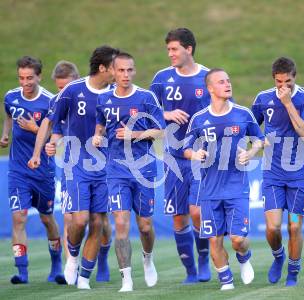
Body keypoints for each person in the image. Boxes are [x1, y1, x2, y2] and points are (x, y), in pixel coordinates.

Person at [28, 45, 120, 289]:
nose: (120, 72)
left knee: (99, 223)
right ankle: (73, 259)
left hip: (106, 168)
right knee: (78, 221)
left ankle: (84, 277)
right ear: (103, 68)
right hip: (75, 164)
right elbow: (50, 121)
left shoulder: (117, 94)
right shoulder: (73, 90)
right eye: (115, 67)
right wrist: (41, 150)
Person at [183, 68, 264, 290]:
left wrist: (250, 152)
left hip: (237, 188)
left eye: (228, 80)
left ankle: (244, 256)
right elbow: (185, 148)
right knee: (214, 240)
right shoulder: (199, 119)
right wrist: (195, 154)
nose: (227, 84)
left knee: (237, 239)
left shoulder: (243, 113)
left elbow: (259, 139)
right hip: (209, 190)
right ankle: (226, 280)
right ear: (210, 88)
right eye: (221, 82)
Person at [93, 52, 165, 292]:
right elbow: (100, 123)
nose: (126, 75)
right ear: (112, 72)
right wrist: (97, 135)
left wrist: (134, 134)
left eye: (130, 70)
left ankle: (148, 257)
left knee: (145, 225)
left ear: (134, 71)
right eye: (121, 70)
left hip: (143, 170)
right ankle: (127, 279)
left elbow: (160, 131)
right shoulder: (104, 99)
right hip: (116, 171)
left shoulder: (146, 97)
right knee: (121, 223)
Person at [150, 28, 211, 283]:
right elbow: (145, 108)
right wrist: (166, 115)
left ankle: (205, 260)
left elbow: (221, 111)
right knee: (178, 216)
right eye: (168, 50)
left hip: (199, 156)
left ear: (189, 49)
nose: (170, 54)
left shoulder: (208, 77)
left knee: (197, 212)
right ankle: (190, 271)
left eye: (174, 49)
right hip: (173, 158)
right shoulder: (162, 78)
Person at [251, 57, 304, 286]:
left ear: (294, 77)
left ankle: (293, 272)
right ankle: (278, 257)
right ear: (274, 79)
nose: (283, 87)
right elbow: (250, 127)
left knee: (294, 226)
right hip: (272, 172)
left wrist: (288, 103)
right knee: (272, 227)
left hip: (299, 173)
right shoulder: (262, 99)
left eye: (288, 82)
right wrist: (254, 144)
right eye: (279, 82)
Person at [47, 60, 112, 282]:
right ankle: (71, 264)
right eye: (58, 87)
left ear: (77, 80)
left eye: (65, 86)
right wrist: (50, 144)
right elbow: (52, 127)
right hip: (72, 165)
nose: (62, 91)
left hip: (102, 166)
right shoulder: (61, 100)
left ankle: (100, 261)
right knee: (73, 218)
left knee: (100, 222)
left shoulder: (104, 94)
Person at [0, 56, 63, 284]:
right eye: (21, 78)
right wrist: (6, 134)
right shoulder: (11, 96)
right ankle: (22, 270)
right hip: (18, 170)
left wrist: (35, 128)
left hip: (43, 171)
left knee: (47, 219)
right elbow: (8, 114)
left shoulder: (49, 101)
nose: (25, 82)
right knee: (19, 218)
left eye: (29, 78)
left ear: (39, 77)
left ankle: (56, 265)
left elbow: (53, 135)